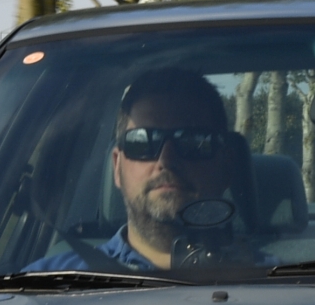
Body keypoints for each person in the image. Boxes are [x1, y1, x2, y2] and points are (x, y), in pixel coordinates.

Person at [31, 70, 263, 273]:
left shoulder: (277, 280)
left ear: (226, 167)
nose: (166, 160)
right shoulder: (42, 284)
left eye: (192, 141)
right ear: (117, 167)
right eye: (142, 142)